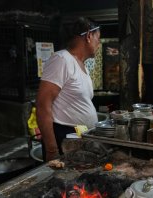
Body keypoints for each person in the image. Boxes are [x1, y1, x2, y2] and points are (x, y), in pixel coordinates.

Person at [36, 17, 101, 161]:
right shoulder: (61, 60)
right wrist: (52, 150)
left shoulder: (81, 64)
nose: (99, 43)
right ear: (89, 36)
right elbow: (42, 105)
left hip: (80, 136)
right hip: (65, 137)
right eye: (98, 38)